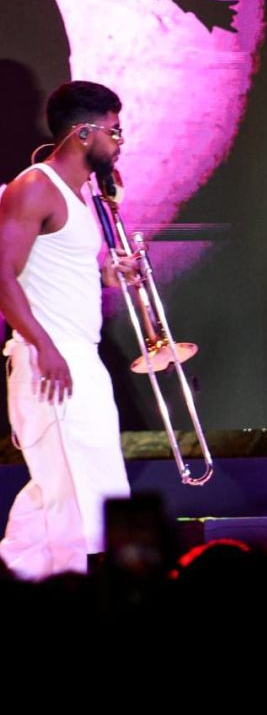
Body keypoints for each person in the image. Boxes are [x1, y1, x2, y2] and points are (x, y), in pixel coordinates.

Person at [0, 80, 133, 579]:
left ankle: (20, 573)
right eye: (113, 131)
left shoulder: (76, 195)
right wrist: (45, 346)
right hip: (54, 363)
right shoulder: (36, 186)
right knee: (86, 499)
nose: (119, 141)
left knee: (53, 500)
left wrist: (105, 276)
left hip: (73, 356)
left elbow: (46, 273)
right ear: (83, 133)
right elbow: (2, 273)